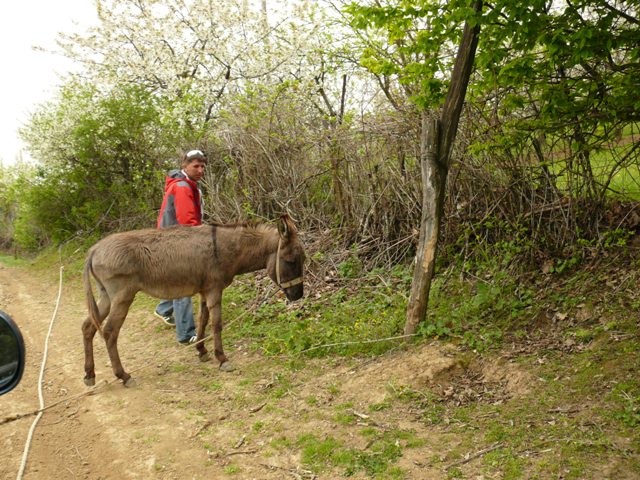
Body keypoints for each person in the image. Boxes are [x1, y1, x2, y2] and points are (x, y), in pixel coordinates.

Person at [154, 149, 207, 344]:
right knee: (184, 284)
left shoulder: (185, 183)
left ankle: (164, 309)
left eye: (202, 166)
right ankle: (186, 334)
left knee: (176, 280)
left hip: (169, 240)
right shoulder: (183, 187)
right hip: (176, 243)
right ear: (185, 165)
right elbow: (187, 222)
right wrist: (201, 241)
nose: (200, 170)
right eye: (196, 166)